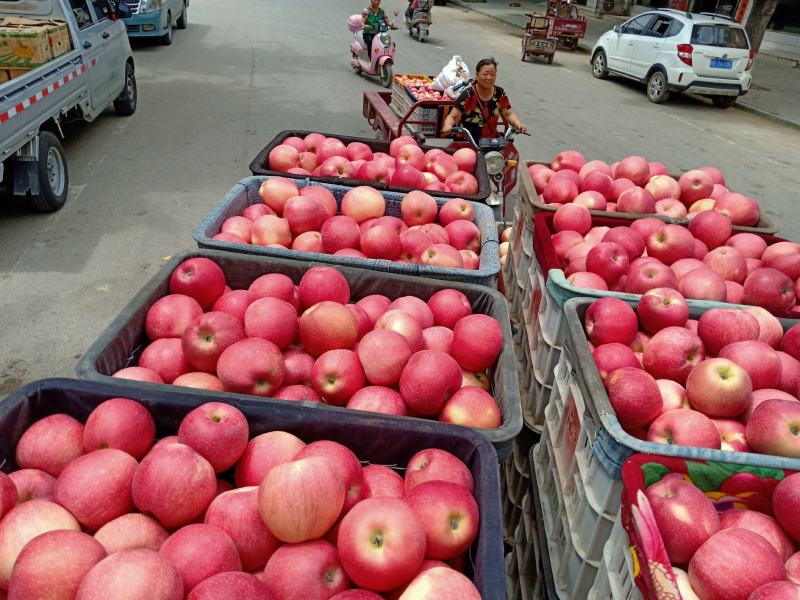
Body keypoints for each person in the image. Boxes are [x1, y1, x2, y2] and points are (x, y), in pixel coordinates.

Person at [441, 58, 528, 142]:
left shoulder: (499, 93)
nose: (489, 78)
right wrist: (448, 125)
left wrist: (517, 123)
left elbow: (508, 113)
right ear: (477, 76)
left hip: (492, 142)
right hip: (468, 141)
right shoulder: (468, 94)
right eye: (485, 74)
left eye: (492, 74)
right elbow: (453, 116)